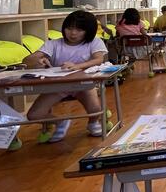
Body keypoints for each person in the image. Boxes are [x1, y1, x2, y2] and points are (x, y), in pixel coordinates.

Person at [22, 11, 107, 142]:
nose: (73, 33)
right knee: (34, 115)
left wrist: (77, 66)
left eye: (79, 30)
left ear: (88, 31)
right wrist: (37, 61)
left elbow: (98, 59)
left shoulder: (94, 42)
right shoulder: (53, 44)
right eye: (69, 28)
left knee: (95, 109)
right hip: (58, 86)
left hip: (83, 85)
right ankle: (60, 122)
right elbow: (27, 60)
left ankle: (93, 123)